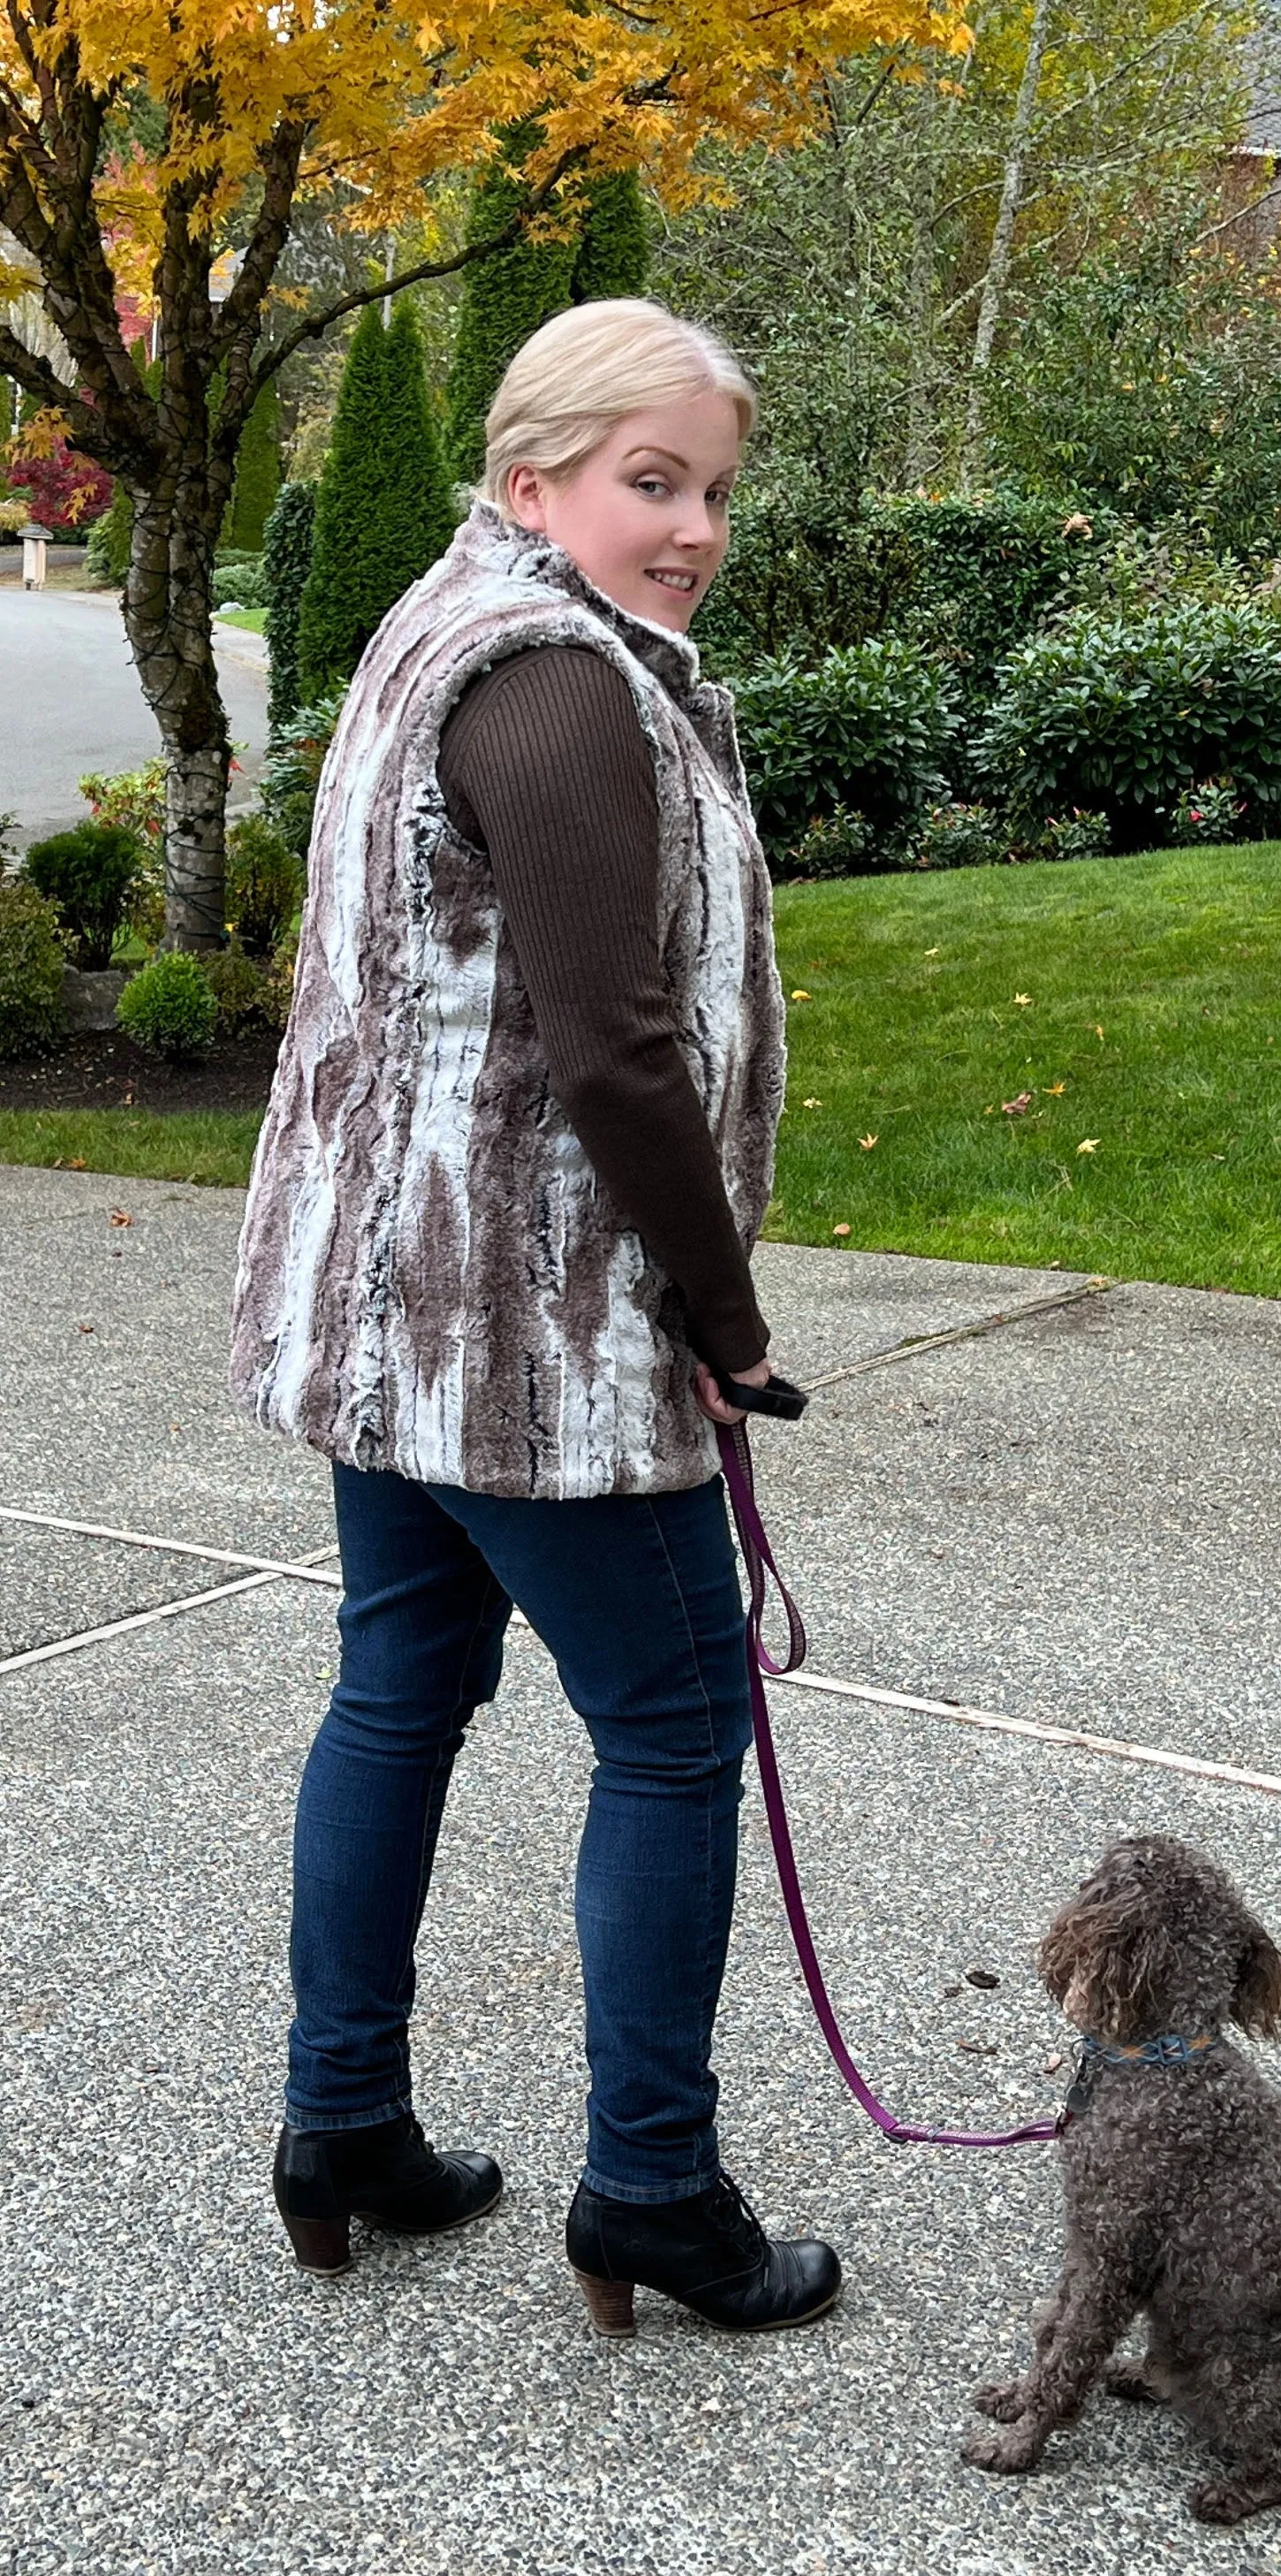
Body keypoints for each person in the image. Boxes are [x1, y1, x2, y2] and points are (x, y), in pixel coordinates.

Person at [229, 299, 839, 2337]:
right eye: (646, 481)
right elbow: (613, 1043)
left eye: (711, 491)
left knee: (398, 1690)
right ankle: (653, 2189)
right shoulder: (558, 685)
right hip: (527, 1338)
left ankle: (343, 2132)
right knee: (675, 1732)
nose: (687, 528)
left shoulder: (436, 622)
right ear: (533, 480)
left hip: (387, 1312)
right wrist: (724, 1316)